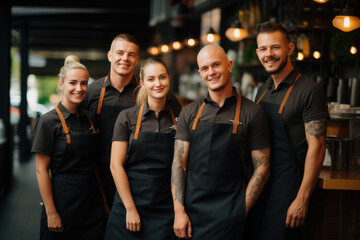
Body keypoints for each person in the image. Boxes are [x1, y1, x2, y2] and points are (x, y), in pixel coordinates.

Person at [171, 44, 271, 239]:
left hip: (231, 211)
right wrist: (179, 211)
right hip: (192, 213)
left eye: (216, 65)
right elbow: (179, 164)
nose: (211, 72)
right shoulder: (190, 113)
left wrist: (241, 209)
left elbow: (263, 167)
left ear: (229, 65)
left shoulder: (253, 112)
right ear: (200, 72)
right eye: (205, 68)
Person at [247, 21, 329, 240]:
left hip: (289, 188)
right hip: (262, 186)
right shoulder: (262, 89)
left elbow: (318, 147)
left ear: (290, 49)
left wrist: (302, 198)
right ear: (257, 53)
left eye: (275, 47)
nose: (269, 54)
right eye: (263, 49)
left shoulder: (309, 90)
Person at [82, 33, 181, 209]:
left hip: (138, 178)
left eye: (131, 54)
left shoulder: (152, 90)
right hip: (98, 174)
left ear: (137, 60)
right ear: (110, 56)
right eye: (120, 53)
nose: (125, 59)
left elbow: (177, 128)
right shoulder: (91, 92)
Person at [104, 57, 180, 239]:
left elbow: (182, 166)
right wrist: (130, 209)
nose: (158, 83)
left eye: (162, 77)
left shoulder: (180, 118)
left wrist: (179, 210)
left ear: (169, 78)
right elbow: (115, 165)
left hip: (165, 207)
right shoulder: (127, 117)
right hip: (130, 203)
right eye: (151, 79)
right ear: (143, 83)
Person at [32, 55, 106, 239]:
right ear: (61, 84)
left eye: (84, 83)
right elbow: (41, 171)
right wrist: (51, 213)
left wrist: (104, 202)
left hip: (92, 206)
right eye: (73, 83)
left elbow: (94, 165)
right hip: (62, 205)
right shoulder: (48, 122)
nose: (79, 89)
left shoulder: (89, 118)